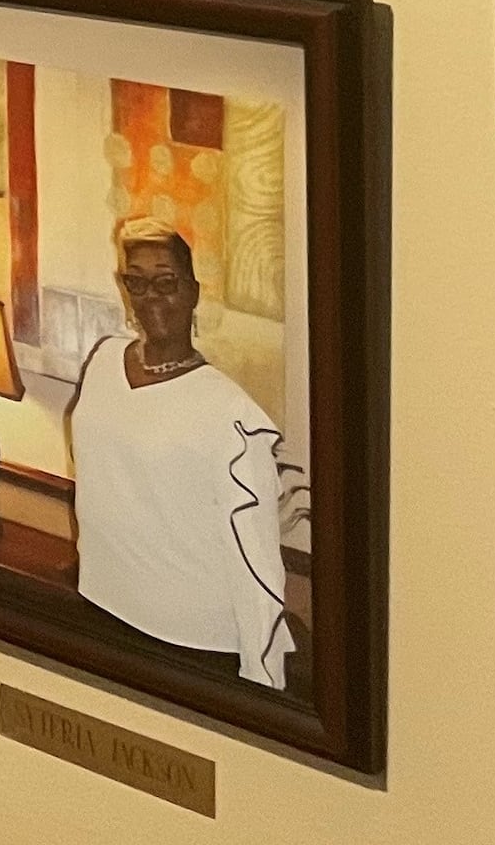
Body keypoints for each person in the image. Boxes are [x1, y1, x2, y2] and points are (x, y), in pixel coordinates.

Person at [68, 220, 301, 689]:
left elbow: (255, 561)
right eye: (136, 281)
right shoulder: (102, 362)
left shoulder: (231, 416)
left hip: (192, 644)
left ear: (193, 292)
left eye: (166, 282)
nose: (150, 295)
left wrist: (263, 682)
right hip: (100, 605)